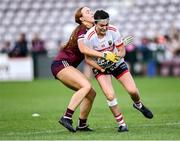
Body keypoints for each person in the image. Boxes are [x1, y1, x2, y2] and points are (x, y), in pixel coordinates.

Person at [83, 10, 153, 132]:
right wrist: (101, 66)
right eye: (102, 26)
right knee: (110, 95)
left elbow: (122, 51)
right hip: (101, 68)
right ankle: (122, 124)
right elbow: (88, 60)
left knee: (132, 91)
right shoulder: (89, 37)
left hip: (117, 63)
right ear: (95, 24)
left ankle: (138, 105)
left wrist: (115, 57)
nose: (105, 28)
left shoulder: (114, 30)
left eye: (107, 25)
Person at [51, 7, 118, 132]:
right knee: (86, 86)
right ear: (81, 18)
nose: (91, 13)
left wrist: (105, 62)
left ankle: (82, 124)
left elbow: (91, 56)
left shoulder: (90, 30)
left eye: (91, 11)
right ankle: (66, 117)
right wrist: (104, 55)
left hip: (66, 65)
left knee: (91, 93)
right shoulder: (83, 30)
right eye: (87, 12)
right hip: (61, 63)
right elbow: (83, 49)